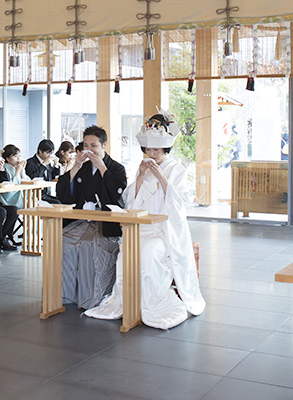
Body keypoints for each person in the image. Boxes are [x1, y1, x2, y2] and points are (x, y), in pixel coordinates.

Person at [85, 113, 205, 329]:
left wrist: (161, 177)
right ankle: (129, 303)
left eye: (156, 150)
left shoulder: (176, 169)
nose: (151, 154)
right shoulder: (143, 167)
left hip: (162, 230)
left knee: (149, 255)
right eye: (148, 150)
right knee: (125, 255)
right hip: (140, 228)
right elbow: (130, 201)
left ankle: (152, 303)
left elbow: (179, 202)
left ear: (165, 149)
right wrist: (140, 177)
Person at [57, 126, 128, 309]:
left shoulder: (116, 168)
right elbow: (64, 192)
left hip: (105, 225)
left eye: (94, 145)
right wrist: (76, 167)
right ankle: (64, 295)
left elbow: (119, 195)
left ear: (104, 144)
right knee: (62, 243)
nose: (89, 150)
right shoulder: (83, 167)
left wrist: (103, 169)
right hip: (81, 222)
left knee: (88, 247)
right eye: (86, 145)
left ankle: (88, 299)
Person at [26, 139, 61, 203]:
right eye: (48, 153)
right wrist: (43, 164)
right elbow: (34, 178)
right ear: (40, 151)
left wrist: (56, 165)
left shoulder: (48, 162)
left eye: (51, 153)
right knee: (58, 203)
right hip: (36, 196)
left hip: (46, 194)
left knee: (62, 200)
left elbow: (54, 177)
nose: (50, 156)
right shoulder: (30, 162)